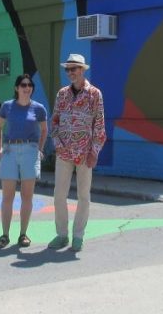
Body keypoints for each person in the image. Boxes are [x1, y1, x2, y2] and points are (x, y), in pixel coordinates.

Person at [48, 53, 106, 252]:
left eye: (74, 69)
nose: (70, 72)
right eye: (68, 69)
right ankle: (62, 234)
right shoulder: (62, 94)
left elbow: (99, 124)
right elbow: (55, 120)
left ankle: (78, 236)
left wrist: (95, 151)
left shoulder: (94, 94)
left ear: (82, 70)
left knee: (83, 195)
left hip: (84, 153)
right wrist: (57, 143)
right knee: (59, 195)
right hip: (64, 152)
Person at [0, 73, 48, 249]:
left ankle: (23, 234)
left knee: (27, 196)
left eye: (29, 85)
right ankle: (5, 235)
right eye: (23, 85)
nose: (27, 88)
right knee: (7, 196)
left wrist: (39, 149)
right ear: (17, 88)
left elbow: (44, 130)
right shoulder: (7, 106)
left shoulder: (39, 108)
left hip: (29, 151)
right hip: (10, 151)